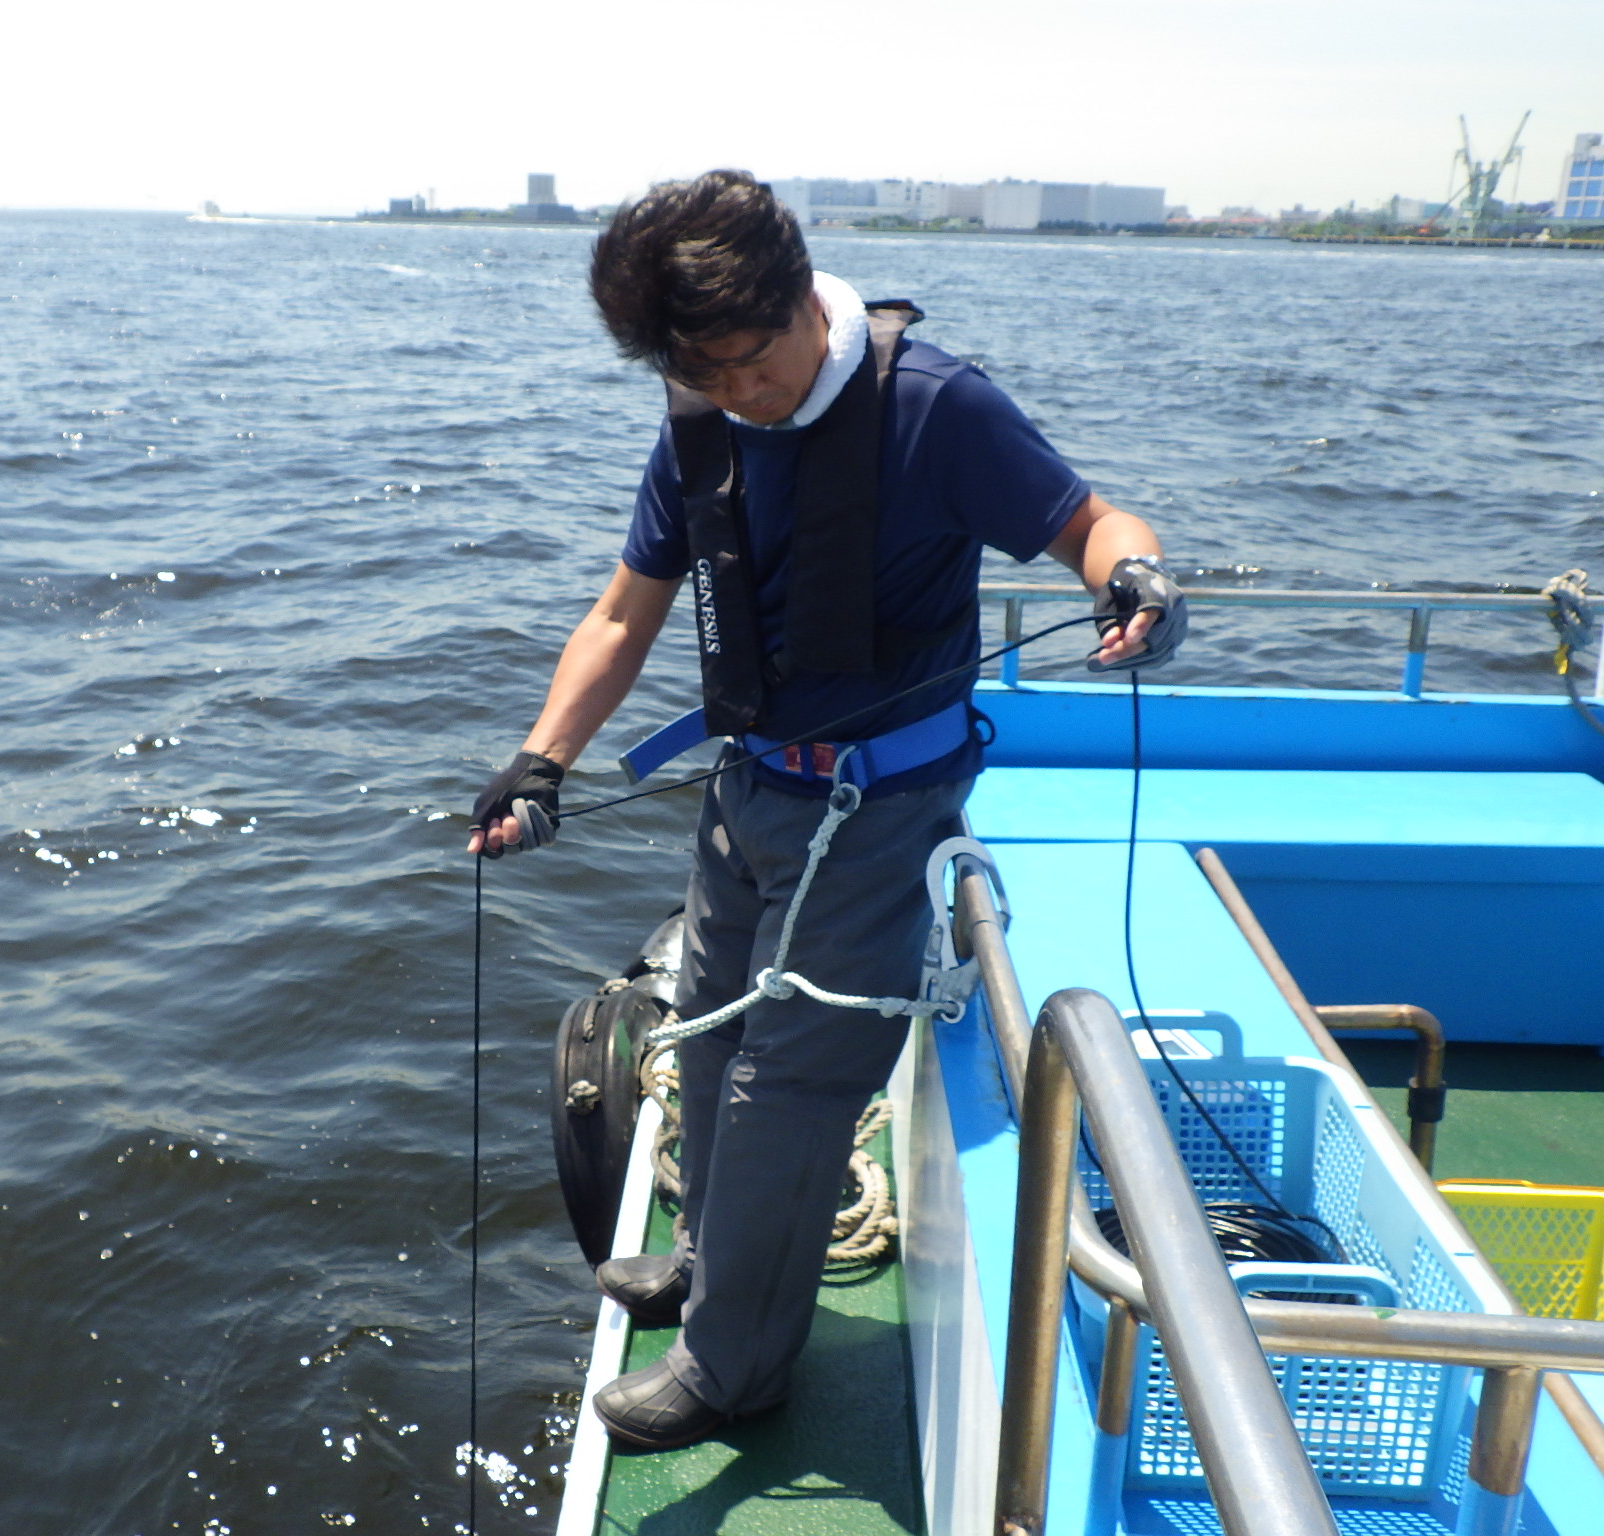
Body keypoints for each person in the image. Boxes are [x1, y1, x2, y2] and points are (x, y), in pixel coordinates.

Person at [467, 170, 1185, 1450]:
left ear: (802, 297)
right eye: (698, 370)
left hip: (880, 807)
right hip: (748, 790)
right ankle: (706, 1263)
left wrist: (1131, 572)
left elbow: (1082, 519)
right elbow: (625, 606)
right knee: (699, 1035)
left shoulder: (934, 404)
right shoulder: (698, 416)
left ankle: (731, 1369)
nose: (733, 392)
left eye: (746, 361)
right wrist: (540, 763)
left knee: (790, 1089)